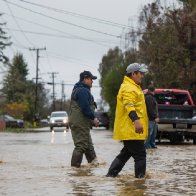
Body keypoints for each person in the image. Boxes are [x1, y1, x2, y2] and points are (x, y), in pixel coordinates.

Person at [106, 63, 148, 178]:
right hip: (131, 129)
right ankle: (140, 182)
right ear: (133, 74)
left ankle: (110, 176)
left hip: (130, 129)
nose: (142, 76)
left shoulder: (132, 87)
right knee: (140, 155)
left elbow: (134, 102)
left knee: (126, 153)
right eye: (140, 73)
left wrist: (141, 94)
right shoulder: (129, 87)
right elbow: (129, 105)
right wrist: (136, 121)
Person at [69, 70, 99, 167]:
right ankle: (75, 170)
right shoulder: (82, 91)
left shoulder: (80, 89)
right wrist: (94, 118)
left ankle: (94, 165)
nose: (92, 81)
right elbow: (85, 107)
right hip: (79, 123)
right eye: (91, 79)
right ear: (85, 79)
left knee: (88, 146)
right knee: (81, 146)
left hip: (81, 122)